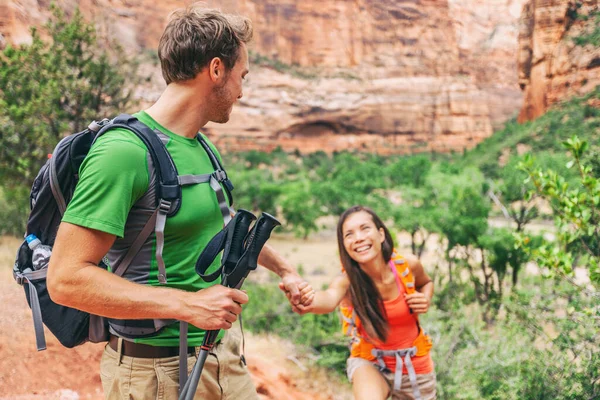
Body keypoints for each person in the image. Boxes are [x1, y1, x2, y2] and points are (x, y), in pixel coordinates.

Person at [47, 4, 308, 400]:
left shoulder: (199, 145)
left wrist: (285, 270)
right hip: (155, 375)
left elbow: (222, 222)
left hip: (223, 360)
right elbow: (65, 280)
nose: (242, 90)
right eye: (242, 76)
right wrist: (187, 305)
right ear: (216, 70)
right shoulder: (123, 152)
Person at [287, 206, 437, 400]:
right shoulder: (347, 281)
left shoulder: (408, 266)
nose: (358, 238)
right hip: (370, 361)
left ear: (381, 234)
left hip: (415, 365)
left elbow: (427, 283)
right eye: (349, 234)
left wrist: (425, 298)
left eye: (365, 228)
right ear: (344, 245)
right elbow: (328, 299)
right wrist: (306, 300)